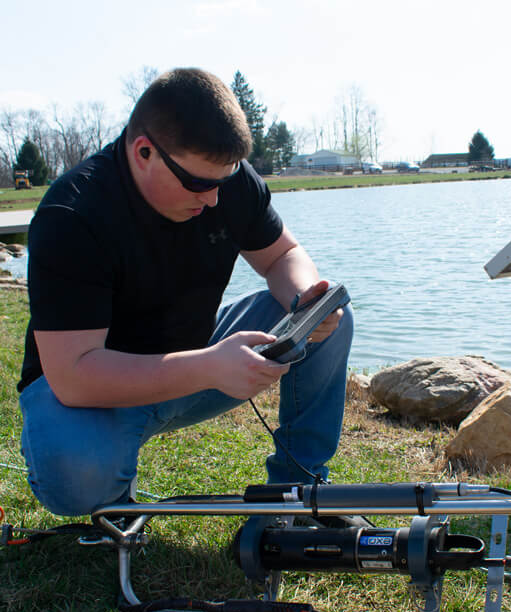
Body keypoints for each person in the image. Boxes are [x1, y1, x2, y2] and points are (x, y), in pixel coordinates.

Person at [17, 68, 353, 517]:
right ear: (143, 152)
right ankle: (105, 480)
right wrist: (210, 367)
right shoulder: (72, 215)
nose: (214, 199)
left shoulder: (221, 179)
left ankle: (298, 492)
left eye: (225, 181)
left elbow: (281, 255)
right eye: (198, 184)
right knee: (78, 482)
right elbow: (75, 376)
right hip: (89, 392)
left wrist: (304, 300)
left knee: (328, 321)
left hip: (196, 362)